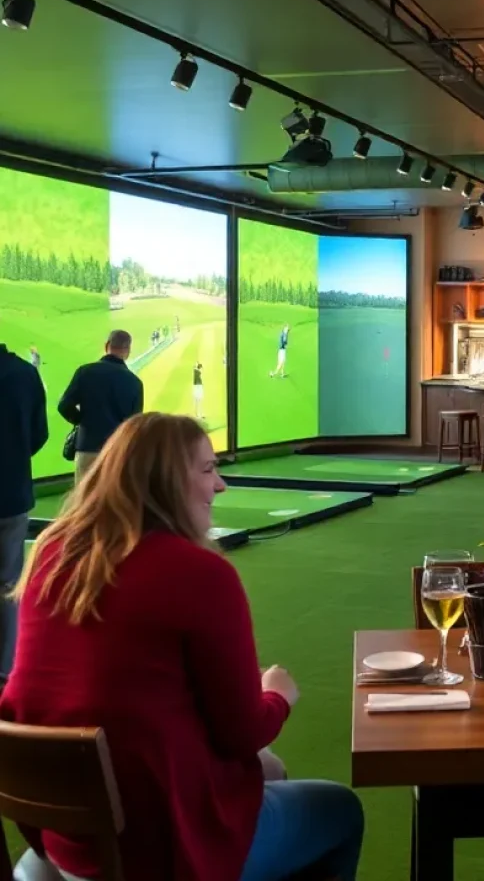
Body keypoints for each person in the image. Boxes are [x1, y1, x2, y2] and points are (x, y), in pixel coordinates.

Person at [0, 413, 364, 881]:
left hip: (65, 839)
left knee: (269, 771)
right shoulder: (200, 574)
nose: (221, 485)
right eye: (208, 469)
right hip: (158, 845)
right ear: (170, 480)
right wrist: (277, 696)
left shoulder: (51, 553)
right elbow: (242, 733)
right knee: (340, 811)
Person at [0, 340, 48, 688]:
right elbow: (39, 434)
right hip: (12, 494)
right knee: (8, 584)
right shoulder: (24, 373)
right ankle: (5, 672)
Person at [58, 330, 144, 485]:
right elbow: (135, 426)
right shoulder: (134, 383)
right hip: (117, 453)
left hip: (87, 448)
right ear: (128, 351)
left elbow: (64, 406)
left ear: (107, 346)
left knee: (84, 503)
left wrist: (83, 421)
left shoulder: (85, 372)